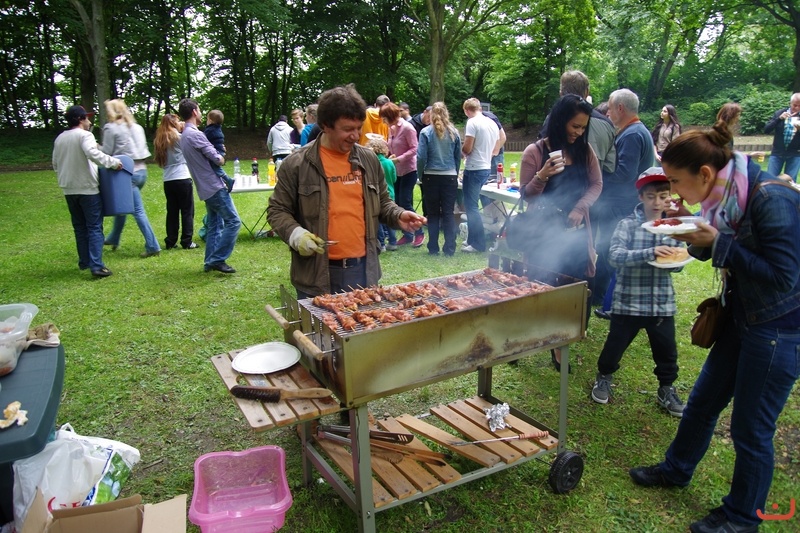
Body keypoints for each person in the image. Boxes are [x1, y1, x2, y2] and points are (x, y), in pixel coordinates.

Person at [628, 121, 800, 533]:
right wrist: (690, 228)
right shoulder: (725, 194)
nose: (672, 191)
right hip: (742, 317)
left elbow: (784, 277)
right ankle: (677, 469)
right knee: (703, 402)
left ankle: (742, 518)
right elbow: (712, 250)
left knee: (751, 428)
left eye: (675, 181)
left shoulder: (770, 198)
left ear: (704, 173)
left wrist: (718, 243)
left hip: (778, 328)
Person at [266, 84, 426, 298]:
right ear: (325, 125)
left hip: (363, 272)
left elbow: (383, 202)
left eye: (359, 128)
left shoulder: (368, 159)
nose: (356, 136)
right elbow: (277, 210)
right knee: (319, 323)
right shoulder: (297, 164)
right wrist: (296, 235)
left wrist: (398, 215)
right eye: (348, 129)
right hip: (316, 274)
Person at [590, 167, 686, 417]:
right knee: (614, 346)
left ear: (669, 197)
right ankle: (604, 376)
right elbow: (615, 256)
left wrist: (673, 260)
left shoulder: (673, 226)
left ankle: (666, 388)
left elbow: (679, 262)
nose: (657, 202)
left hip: (661, 302)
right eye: (651, 196)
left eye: (663, 196)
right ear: (641, 197)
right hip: (629, 301)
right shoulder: (628, 225)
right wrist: (649, 253)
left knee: (667, 351)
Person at [519, 94, 602, 371]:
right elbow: (527, 195)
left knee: (572, 290)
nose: (578, 132)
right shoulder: (535, 152)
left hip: (575, 235)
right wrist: (542, 175)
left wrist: (579, 208)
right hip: (542, 235)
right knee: (538, 288)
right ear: (559, 121)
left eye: (583, 127)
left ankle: (558, 346)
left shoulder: (585, 151)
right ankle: (521, 340)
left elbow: (596, 185)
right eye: (575, 126)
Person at [593, 89, 655, 319]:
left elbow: (624, 173)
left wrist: (597, 178)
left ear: (620, 108)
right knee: (606, 249)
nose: (608, 113)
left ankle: (613, 302)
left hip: (620, 204)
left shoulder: (632, 134)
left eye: (610, 108)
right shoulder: (635, 131)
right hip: (621, 203)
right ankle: (599, 295)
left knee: (611, 250)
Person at [52, 105, 122, 278]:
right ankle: (96, 266)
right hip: (87, 188)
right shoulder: (85, 135)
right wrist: (113, 163)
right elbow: (92, 153)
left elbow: (55, 163)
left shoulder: (60, 138)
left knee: (79, 227)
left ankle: (85, 261)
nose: (89, 122)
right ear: (80, 119)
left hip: (69, 188)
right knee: (94, 226)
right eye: (87, 118)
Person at [178, 98, 241, 274]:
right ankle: (217, 259)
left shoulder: (184, 135)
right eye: (199, 110)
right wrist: (222, 155)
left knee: (215, 225)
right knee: (233, 222)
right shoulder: (196, 135)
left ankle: (209, 262)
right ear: (194, 112)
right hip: (214, 186)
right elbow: (218, 159)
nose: (201, 113)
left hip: (204, 187)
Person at [99, 99, 161, 258]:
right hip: (142, 172)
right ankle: (114, 237)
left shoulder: (111, 128)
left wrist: (95, 147)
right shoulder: (137, 127)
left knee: (137, 210)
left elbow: (106, 152)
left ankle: (153, 245)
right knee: (123, 203)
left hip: (125, 174)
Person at [417, 101, 462, 256]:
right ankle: (450, 248)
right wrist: (455, 172)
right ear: (446, 114)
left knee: (433, 213)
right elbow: (457, 157)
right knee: (448, 213)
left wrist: (420, 174)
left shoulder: (425, 132)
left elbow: (421, 157)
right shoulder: (454, 132)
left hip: (430, 176)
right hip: (449, 176)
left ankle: (433, 247)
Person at [381, 102, 423, 247]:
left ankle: (419, 233)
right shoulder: (391, 128)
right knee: (398, 202)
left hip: (409, 170)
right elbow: (393, 145)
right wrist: (389, 154)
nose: (383, 121)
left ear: (391, 116)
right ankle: (408, 234)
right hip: (396, 170)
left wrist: (399, 159)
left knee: (405, 202)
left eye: (384, 117)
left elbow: (414, 149)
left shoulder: (407, 128)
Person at [461, 97, 500, 253]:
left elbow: (467, 148)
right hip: (486, 167)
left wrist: (461, 151)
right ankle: (471, 239)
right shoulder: (492, 123)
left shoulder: (472, 122)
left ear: (467, 110)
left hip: (474, 167)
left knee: (471, 207)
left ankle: (478, 244)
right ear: (480, 108)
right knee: (474, 205)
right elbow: (497, 146)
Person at [153, 114, 196, 250]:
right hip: (182, 176)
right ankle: (187, 241)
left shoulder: (159, 139)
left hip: (168, 179)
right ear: (173, 123)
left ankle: (171, 240)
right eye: (177, 121)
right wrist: (186, 127)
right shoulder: (178, 137)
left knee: (172, 211)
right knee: (187, 210)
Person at [366, 138, 398, 252]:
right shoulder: (389, 162)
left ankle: (381, 243)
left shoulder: (371, 163)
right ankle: (393, 242)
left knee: (378, 219)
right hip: (390, 194)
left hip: (376, 194)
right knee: (390, 217)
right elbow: (394, 179)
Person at [764, 92, 800, 181]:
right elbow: (766, 130)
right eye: (795, 105)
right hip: (777, 152)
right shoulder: (780, 113)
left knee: (790, 182)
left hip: (795, 153)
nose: (797, 108)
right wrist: (779, 119)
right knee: (770, 179)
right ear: (790, 103)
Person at [203, 109, 235, 193]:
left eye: (207, 119)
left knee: (214, 167)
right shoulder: (218, 129)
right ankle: (224, 181)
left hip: (217, 152)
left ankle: (227, 179)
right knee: (215, 167)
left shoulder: (210, 130)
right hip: (220, 150)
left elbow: (203, 138)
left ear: (210, 120)